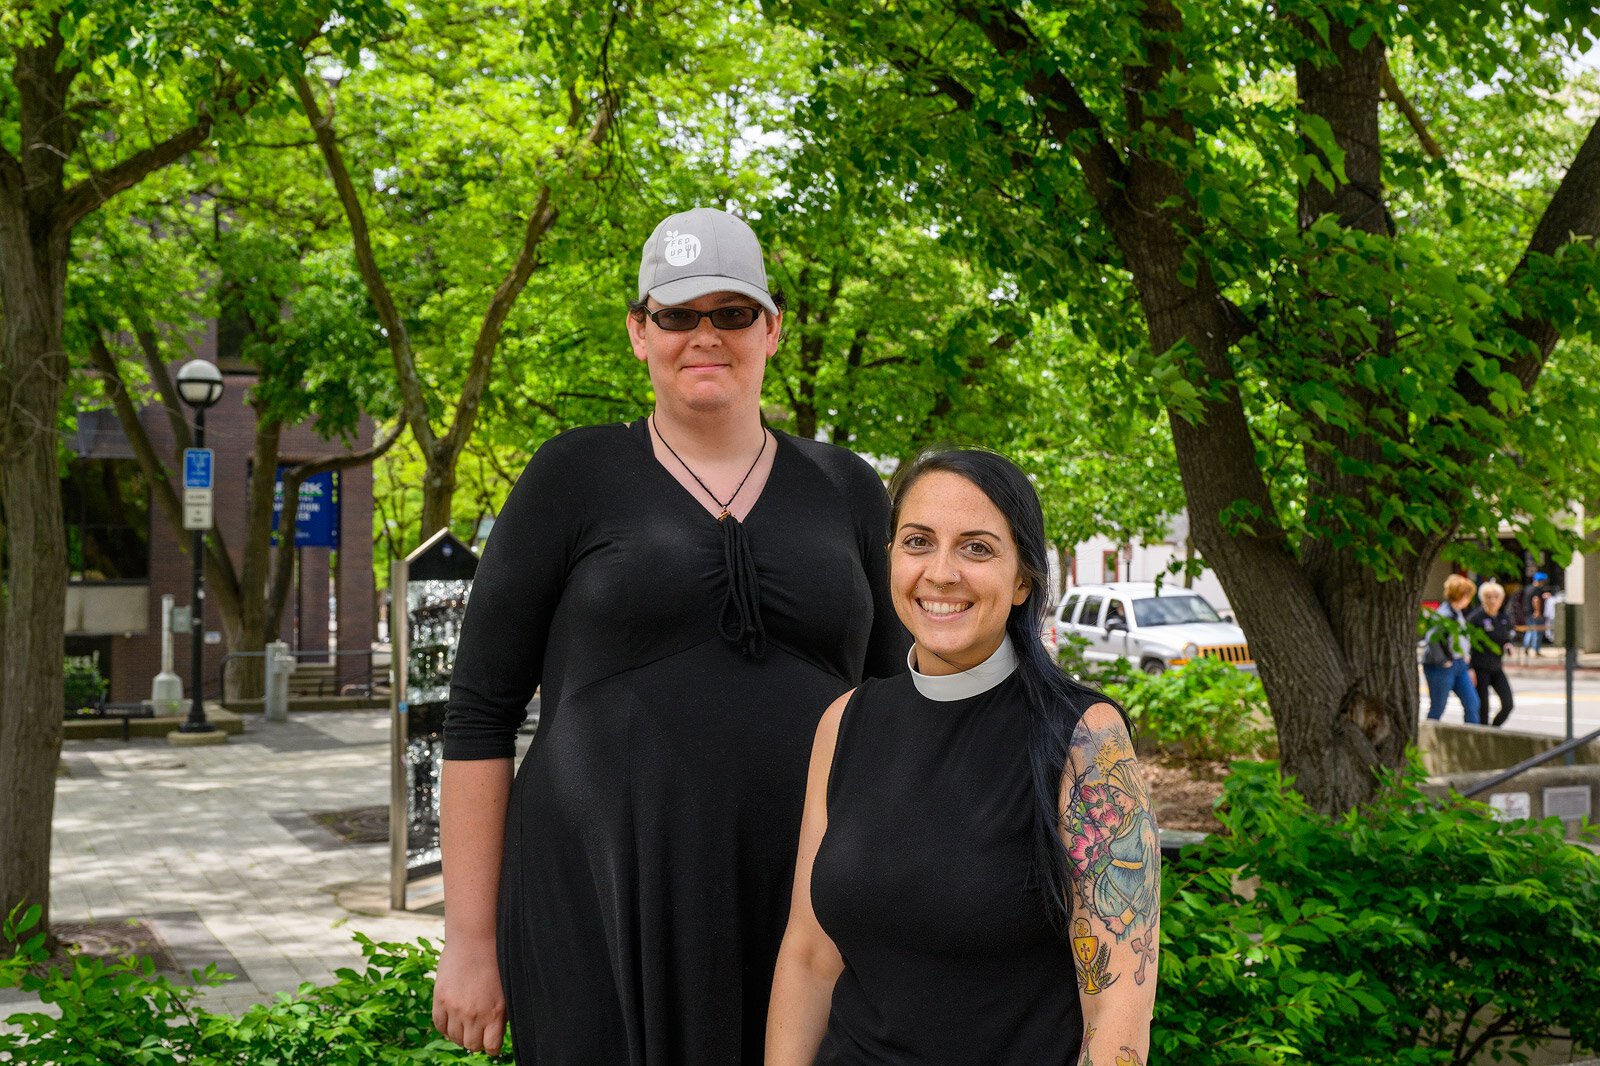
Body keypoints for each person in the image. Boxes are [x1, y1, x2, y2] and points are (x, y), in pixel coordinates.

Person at [433, 206, 909, 1063]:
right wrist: (469, 943)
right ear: (639, 332)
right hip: (597, 910)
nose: (705, 335)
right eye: (678, 315)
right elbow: (478, 713)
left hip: (805, 912)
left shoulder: (845, 488)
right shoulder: (571, 475)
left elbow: (899, 711)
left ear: (771, 330)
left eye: (732, 313)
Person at [767, 449, 1159, 1066]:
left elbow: (1116, 1012)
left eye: (976, 548)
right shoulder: (844, 723)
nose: (941, 572)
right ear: (891, 559)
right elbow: (810, 955)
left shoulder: (1085, 741)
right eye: (918, 542)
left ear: (1024, 579)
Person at [1422, 573, 1481, 724]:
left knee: (1472, 703)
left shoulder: (1457, 613)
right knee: (1438, 707)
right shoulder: (1444, 614)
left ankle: (1472, 734)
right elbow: (1432, 639)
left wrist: (1465, 657)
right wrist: (1443, 660)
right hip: (1441, 666)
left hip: (1459, 663)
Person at [1467, 581, 1516, 727]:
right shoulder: (1476, 618)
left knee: (1508, 704)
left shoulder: (1504, 617)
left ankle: (1494, 729)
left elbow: (1506, 636)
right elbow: (1467, 645)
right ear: (1483, 599)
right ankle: (1483, 734)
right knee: (1483, 708)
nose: (1493, 600)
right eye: (1488, 597)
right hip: (1479, 667)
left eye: (1496, 597)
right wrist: (1469, 668)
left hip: (1496, 666)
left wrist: (1508, 645)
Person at [1521, 572, 1550, 656]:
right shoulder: (1537, 589)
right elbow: (1535, 599)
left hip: (1527, 612)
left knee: (1529, 630)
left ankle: (1526, 648)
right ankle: (1536, 650)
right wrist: (1537, 611)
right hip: (1535, 613)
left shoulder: (1528, 588)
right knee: (1537, 631)